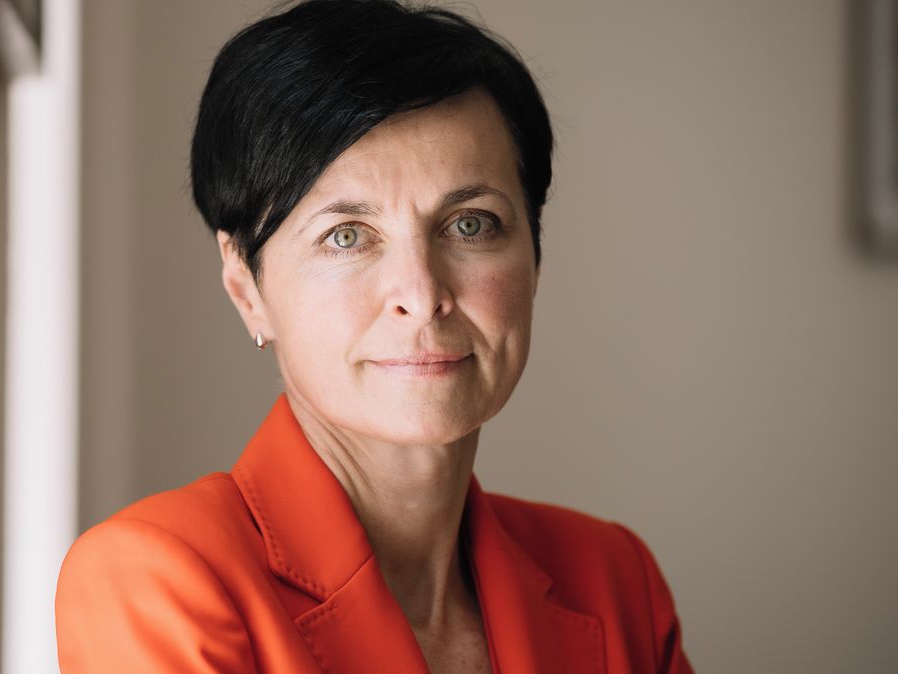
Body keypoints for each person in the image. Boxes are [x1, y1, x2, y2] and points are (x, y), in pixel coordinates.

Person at [55, 1, 695, 672]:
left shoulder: (616, 580)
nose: (422, 295)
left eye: (471, 224)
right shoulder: (158, 578)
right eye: (346, 236)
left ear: (535, 259)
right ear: (247, 288)